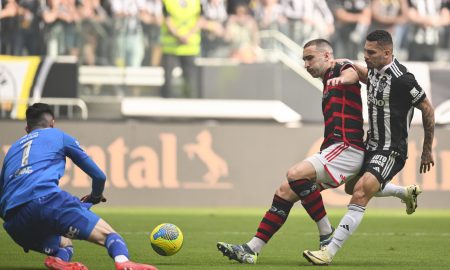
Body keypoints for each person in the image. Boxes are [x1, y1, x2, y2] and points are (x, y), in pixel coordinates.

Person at [216, 39, 420, 264]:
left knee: (295, 174)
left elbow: (351, 73)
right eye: (304, 59)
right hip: (336, 149)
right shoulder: (326, 79)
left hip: (346, 147)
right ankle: (251, 249)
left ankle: (326, 233)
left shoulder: (339, 69)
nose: (306, 64)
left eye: (310, 58)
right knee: (285, 191)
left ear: (326, 56)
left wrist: (342, 80)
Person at [303, 30, 435, 266]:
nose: (366, 56)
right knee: (351, 187)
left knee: (361, 191)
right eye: (365, 51)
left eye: (371, 52)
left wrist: (427, 149)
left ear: (387, 53)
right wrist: (348, 64)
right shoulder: (374, 69)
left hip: (391, 149)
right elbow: (365, 75)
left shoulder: (403, 79)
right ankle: (405, 193)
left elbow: (427, 108)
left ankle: (328, 252)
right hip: (370, 145)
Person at [0, 103, 157, 270]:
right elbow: (99, 176)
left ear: (27, 128)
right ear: (52, 123)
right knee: (110, 235)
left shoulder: (12, 150)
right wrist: (95, 196)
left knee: (64, 244)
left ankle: (59, 261)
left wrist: (22, 223)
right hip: (47, 200)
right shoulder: (57, 135)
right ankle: (123, 262)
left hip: (14, 222)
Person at [160, 0, 203, 98]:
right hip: (171, 48)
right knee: (168, 82)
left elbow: (200, 18)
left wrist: (187, 35)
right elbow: (167, 19)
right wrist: (180, 35)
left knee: (190, 82)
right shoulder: (168, 2)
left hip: (190, 48)